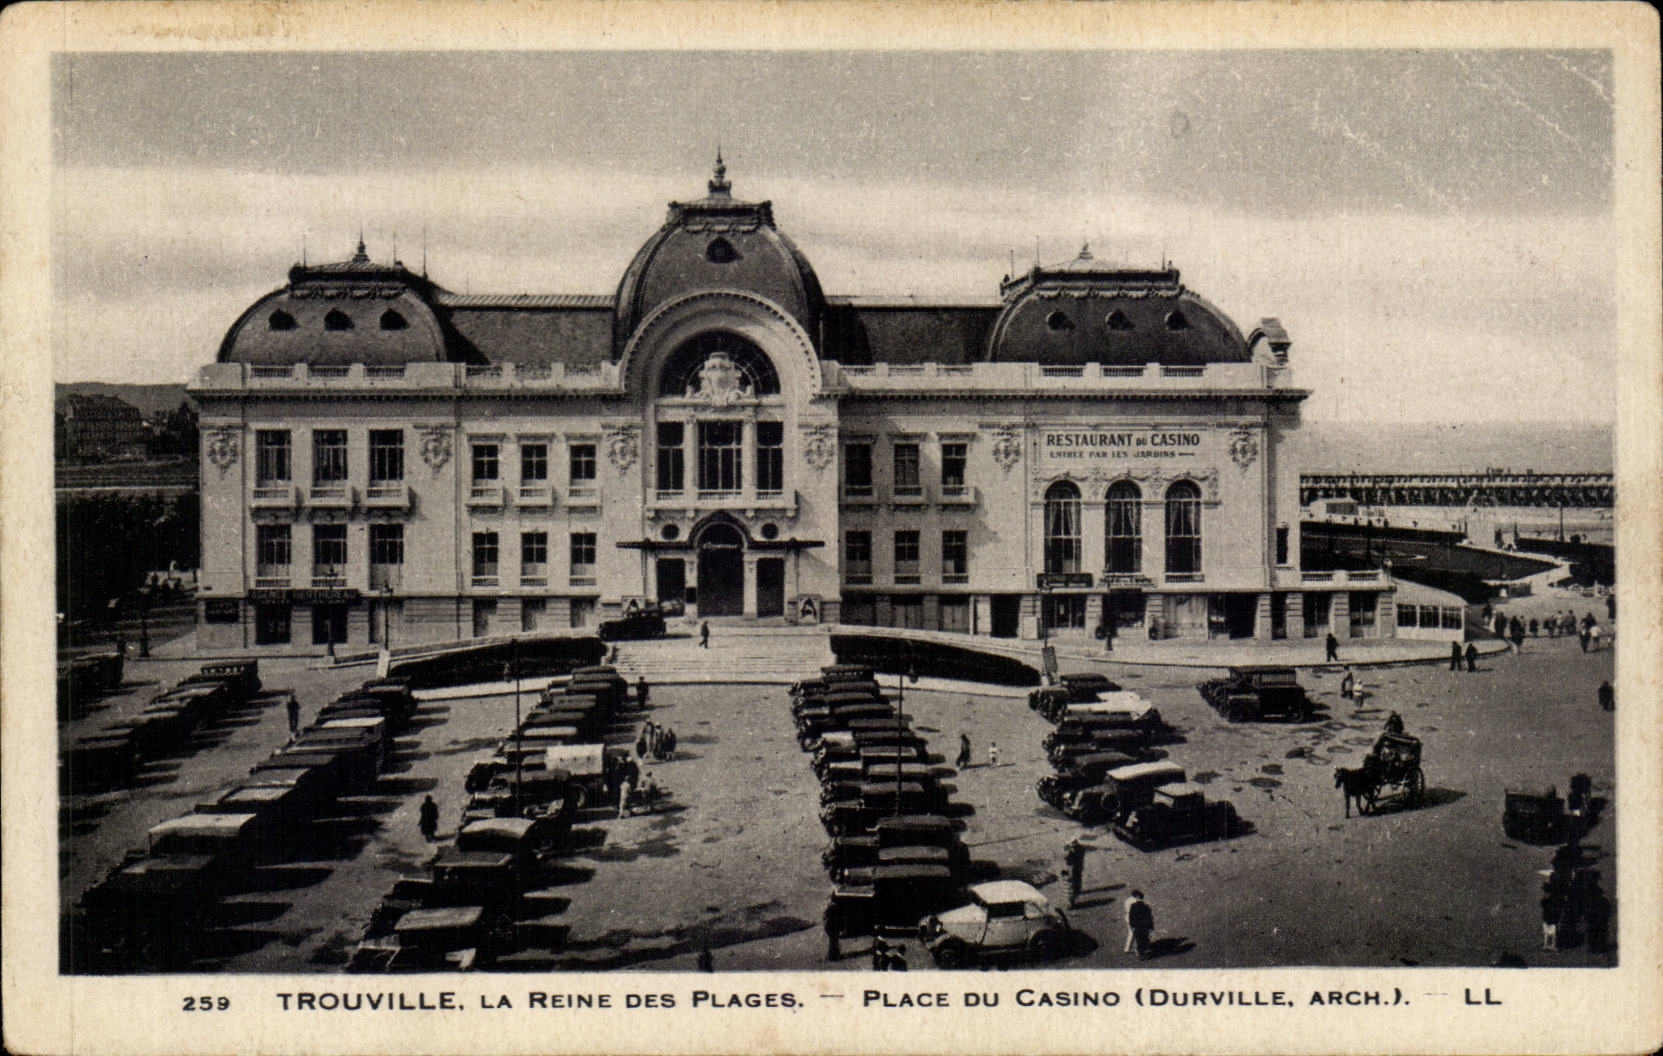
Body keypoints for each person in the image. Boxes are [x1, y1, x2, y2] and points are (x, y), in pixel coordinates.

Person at [1125, 890, 1154, 959]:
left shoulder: (1129, 901)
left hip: (1134, 921)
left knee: (1135, 936)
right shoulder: (1144, 905)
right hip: (1140, 924)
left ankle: (1129, 949)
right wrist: (1151, 926)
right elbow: (1148, 916)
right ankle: (1134, 950)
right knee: (1137, 936)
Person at [1064, 838, 1086, 909]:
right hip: (1079, 867)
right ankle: (1077, 891)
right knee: (1078, 879)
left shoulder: (1071, 852)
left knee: (1070, 886)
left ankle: (1071, 902)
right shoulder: (1081, 848)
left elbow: (1067, 860)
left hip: (1073, 869)